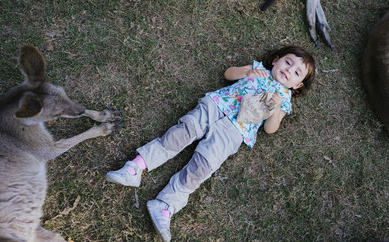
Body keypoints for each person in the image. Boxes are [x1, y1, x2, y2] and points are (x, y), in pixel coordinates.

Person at [106, 45, 316, 241]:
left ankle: (164, 205)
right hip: (215, 107)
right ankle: (135, 168)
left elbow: (271, 129)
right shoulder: (258, 69)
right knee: (180, 134)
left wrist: (276, 109)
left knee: (202, 167)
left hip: (235, 131)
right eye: (288, 62)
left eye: (297, 73)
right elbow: (229, 73)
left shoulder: (284, 100)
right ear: (276, 60)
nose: (289, 70)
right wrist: (247, 73)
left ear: (297, 85)